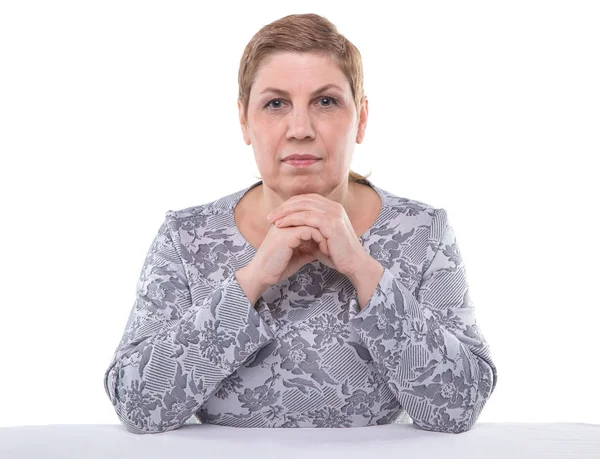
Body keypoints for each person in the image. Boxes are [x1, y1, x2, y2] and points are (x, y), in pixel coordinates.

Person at [103, 13, 497, 435]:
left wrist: (365, 272)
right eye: (276, 103)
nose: (300, 129)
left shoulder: (423, 232)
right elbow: (137, 404)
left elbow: (461, 405)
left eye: (326, 101)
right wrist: (251, 281)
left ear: (361, 118)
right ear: (244, 121)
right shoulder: (186, 237)